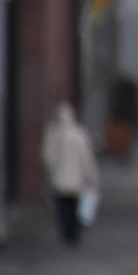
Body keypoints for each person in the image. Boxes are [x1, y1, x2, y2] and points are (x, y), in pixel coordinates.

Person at [41, 102, 99, 247]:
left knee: (62, 208)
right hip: (76, 181)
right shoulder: (79, 135)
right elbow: (86, 159)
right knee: (74, 208)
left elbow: (48, 158)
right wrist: (92, 177)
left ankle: (65, 234)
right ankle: (73, 236)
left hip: (60, 181)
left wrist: (51, 173)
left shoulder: (54, 136)